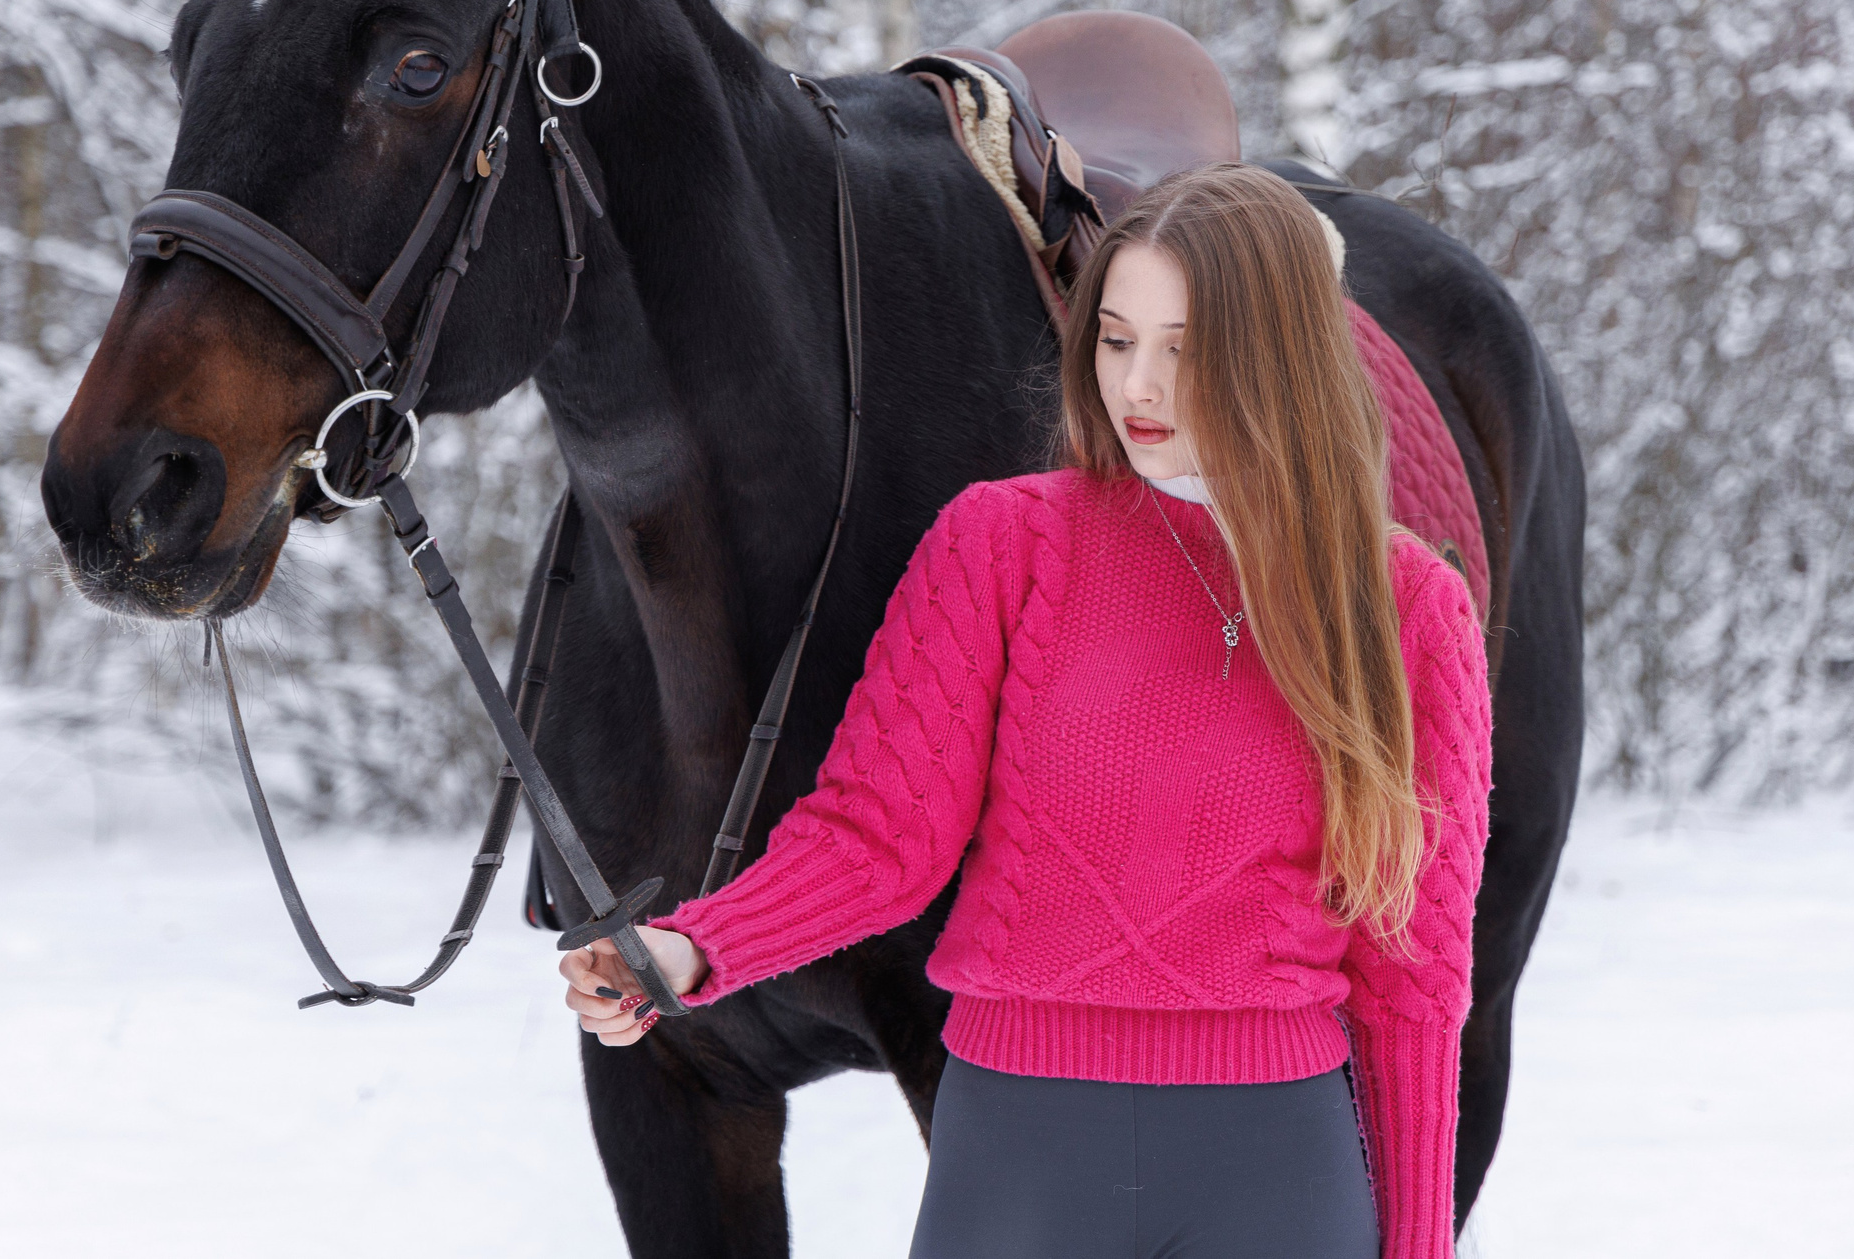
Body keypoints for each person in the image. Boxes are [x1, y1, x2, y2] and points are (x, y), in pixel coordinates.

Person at [558, 162, 1492, 1259]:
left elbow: (1413, 976)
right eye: (1116, 339)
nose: (1137, 384)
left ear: (1277, 353)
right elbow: (876, 836)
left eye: (1183, 348)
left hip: (1277, 1166)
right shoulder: (1003, 545)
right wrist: (692, 946)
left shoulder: (1405, 606)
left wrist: (1419, 1247)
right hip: (1019, 1153)